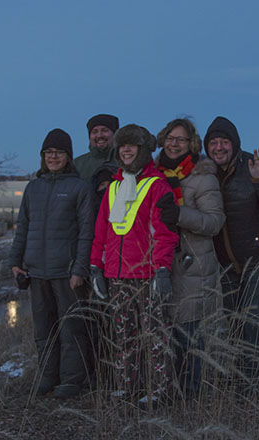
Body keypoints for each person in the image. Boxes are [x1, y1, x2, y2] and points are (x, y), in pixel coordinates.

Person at [89, 124, 179, 408]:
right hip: (116, 275)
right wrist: (95, 267)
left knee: (154, 337)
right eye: (122, 146)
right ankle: (127, 387)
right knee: (123, 336)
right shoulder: (114, 187)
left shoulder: (157, 185)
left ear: (143, 150)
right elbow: (101, 231)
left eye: (132, 146)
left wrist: (162, 270)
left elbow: (164, 233)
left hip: (147, 275)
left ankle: (158, 391)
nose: (126, 151)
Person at [204, 116, 259, 393]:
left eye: (224, 142)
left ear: (235, 144)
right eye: (213, 143)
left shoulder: (255, 165)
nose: (218, 147)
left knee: (253, 317)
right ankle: (239, 372)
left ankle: (254, 381)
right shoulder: (206, 172)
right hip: (228, 259)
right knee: (234, 318)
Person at [8, 129, 94, 398]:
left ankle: (71, 380)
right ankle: (47, 376)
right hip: (36, 271)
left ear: (68, 156)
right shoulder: (34, 188)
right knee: (44, 329)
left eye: (58, 152)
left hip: (66, 272)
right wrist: (16, 261)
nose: (52, 157)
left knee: (71, 329)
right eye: (48, 153)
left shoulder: (79, 188)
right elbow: (23, 227)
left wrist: (79, 268)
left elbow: (86, 232)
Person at [154, 118, 225, 395]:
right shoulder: (153, 174)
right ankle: (166, 387)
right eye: (170, 138)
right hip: (160, 263)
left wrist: (180, 215)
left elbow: (214, 222)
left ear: (191, 144)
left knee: (188, 335)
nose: (174, 144)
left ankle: (190, 392)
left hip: (193, 264)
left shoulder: (203, 176)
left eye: (181, 140)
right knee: (163, 332)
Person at [73, 113, 120, 209]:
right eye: (94, 132)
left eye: (105, 130)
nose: (99, 135)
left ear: (115, 134)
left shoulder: (124, 161)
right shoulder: (76, 164)